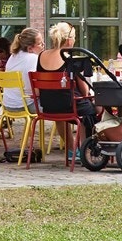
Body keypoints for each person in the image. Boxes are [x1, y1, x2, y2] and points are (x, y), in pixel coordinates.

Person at [37, 21, 96, 161]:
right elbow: (85, 90)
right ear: (69, 40)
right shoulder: (70, 59)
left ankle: (71, 150)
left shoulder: (41, 56)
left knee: (61, 107)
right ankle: (84, 149)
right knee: (90, 111)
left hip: (48, 106)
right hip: (69, 106)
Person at [2, 28, 42, 112]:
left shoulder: (13, 56)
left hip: (7, 104)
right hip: (25, 104)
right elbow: (36, 92)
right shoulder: (33, 58)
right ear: (30, 48)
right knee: (58, 107)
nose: (43, 45)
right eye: (40, 44)